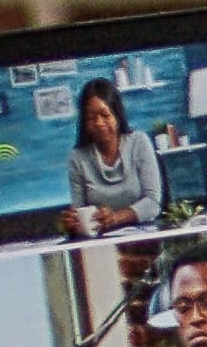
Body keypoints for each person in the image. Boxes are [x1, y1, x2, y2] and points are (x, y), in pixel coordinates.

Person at [64, 79, 162, 233]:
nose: (99, 123)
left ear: (117, 115)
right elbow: (79, 211)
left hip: (143, 237)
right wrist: (73, 222)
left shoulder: (139, 142)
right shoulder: (77, 157)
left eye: (105, 115)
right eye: (91, 118)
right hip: (102, 243)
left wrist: (116, 218)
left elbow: (152, 203)